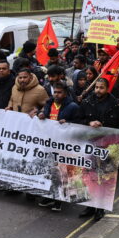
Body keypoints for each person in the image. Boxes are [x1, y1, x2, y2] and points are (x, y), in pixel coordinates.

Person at [78, 78, 119, 220]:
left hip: (107, 147)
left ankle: (100, 208)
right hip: (91, 145)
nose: (98, 90)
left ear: (107, 88)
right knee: (89, 176)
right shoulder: (87, 102)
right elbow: (78, 120)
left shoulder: (115, 105)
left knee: (104, 178)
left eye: (101, 88)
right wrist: (89, 122)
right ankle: (89, 206)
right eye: (96, 87)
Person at [37, 82, 81, 211]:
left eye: (59, 92)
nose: (56, 95)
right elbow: (45, 114)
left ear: (65, 93)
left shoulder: (73, 107)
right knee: (50, 171)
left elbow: (80, 123)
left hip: (63, 145)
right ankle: (50, 196)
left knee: (62, 173)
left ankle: (60, 199)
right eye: (55, 92)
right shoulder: (49, 103)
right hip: (49, 142)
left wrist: (68, 123)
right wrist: (41, 114)